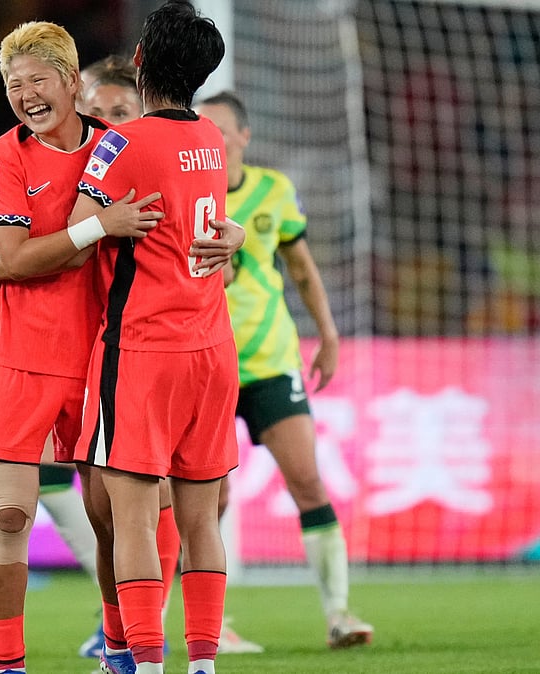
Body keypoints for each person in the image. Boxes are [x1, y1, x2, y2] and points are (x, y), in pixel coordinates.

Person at [0, 21, 241, 674]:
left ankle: (125, 651)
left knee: (122, 516)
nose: (26, 94)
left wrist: (237, 233)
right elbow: (14, 261)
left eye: (38, 80)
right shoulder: (5, 155)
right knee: (8, 517)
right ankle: (10, 665)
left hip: (104, 355)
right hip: (22, 356)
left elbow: (190, 210)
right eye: (12, 83)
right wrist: (89, 231)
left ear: (71, 80)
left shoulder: (117, 147)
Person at [68, 2, 237, 673]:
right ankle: (203, 664)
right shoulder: (214, 140)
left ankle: (145, 660)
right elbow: (217, 232)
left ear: (140, 60)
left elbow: (80, 236)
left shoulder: (122, 142)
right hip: (211, 347)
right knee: (200, 521)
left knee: (134, 520)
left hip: (142, 349)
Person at [196, 90, 374, 650]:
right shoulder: (186, 195)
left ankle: (339, 613)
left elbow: (299, 266)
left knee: (308, 481)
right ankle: (210, 626)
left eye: (223, 131)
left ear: (244, 136)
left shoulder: (274, 190)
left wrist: (327, 333)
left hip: (271, 361)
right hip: (205, 365)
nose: (215, 142)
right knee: (210, 501)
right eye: (204, 132)